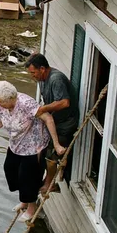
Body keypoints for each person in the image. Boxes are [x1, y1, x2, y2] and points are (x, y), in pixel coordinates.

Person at [0, 81, 65, 221]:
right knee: (10, 171)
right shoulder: (3, 106)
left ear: (9, 99)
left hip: (34, 147)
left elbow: (48, 118)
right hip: (16, 145)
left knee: (28, 178)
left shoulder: (27, 104)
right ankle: (26, 198)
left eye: (0, 102)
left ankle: (31, 209)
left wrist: (57, 144)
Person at [26, 53, 79, 194]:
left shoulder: (56, 79)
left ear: (42, 69)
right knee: (39, 150)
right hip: (53, 120)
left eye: (33, 72)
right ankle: (42, 182)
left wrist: (43, 109)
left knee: (52, 155)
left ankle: (49, 184)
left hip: (65, 123)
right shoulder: (42, 80)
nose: (33, 76)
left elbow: (64, 102)